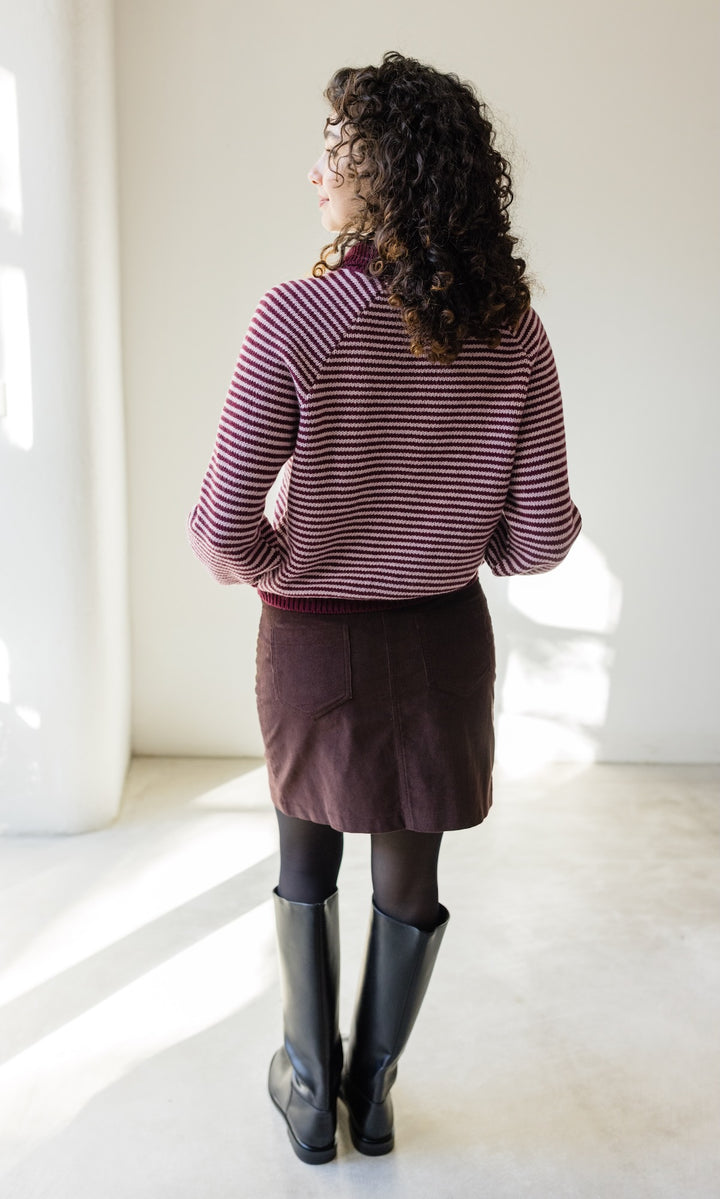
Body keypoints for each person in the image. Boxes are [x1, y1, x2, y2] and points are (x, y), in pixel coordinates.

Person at [188, 50, 581, 1165]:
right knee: (413, 868)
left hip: (314, 641)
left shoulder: (299, 319)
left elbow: (222, 527)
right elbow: (544, 537)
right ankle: (378, 1088)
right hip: (445, 632)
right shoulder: (515, 334)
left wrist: (290, 565)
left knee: (306, 857)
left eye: (338, 151)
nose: (319, 171)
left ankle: (309, 1092)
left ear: (390, 174)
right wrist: (459, 541)